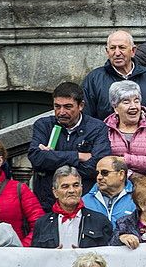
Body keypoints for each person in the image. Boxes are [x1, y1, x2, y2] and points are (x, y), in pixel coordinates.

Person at [29, 82, 112, 210]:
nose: (61, 112)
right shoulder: (43, 125)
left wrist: (51, 160)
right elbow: (36, 158)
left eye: (68, 107)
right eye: (57, 106)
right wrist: (78, 156)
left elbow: (96, 166)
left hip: (84, 203)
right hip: (48, 203)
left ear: (81, 106)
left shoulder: (97, 128)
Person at [83, 31, 146, 131]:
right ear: (107, 52)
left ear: (133, 51)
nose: (117, 53)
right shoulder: (94, 79)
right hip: (106, 142)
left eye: (122, 47)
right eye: (112, 48)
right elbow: (87, 117)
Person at [32, 166, 114, 249]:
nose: (71, 190)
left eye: (75, 185)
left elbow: (107, 257)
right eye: (65, 186)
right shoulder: (42, 224)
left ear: (81, 189)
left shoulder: (100, 221)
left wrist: (84, 256)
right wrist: (52, 256)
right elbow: (36, 257)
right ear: (55, 192)